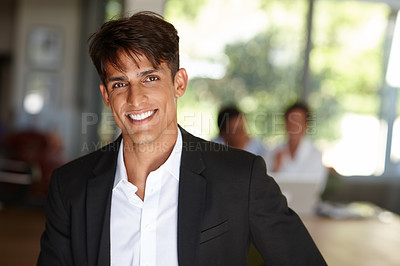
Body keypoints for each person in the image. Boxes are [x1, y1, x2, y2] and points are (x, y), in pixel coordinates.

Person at [37, 11, 326, 266]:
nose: (135, 99)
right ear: (106, 96)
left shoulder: (241, 178)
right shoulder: (69, 187)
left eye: (150, 78)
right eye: (120, 83)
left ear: (179, 83)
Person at [269, 102, 328, 193]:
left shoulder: (316, 155)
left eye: (298, 122)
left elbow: (317, 189)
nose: (293, 126)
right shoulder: (274, 152)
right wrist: (276, 168)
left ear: (306, 125)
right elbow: (265, 187)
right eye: (290, 121)